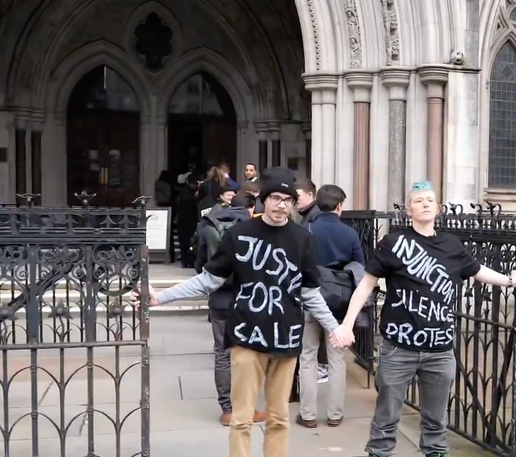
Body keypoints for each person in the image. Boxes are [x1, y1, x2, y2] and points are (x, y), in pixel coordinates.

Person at [136, 167, 355, 457]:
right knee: (241, 419)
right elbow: (209, 280)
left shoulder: (302, 238)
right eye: (275, 198)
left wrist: (333, 327)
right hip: (247, 336)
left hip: (286, 339)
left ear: (294, 203)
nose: (280, 205)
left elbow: (309, 292)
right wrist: (161, 297)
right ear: (263, 199)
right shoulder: (239, 235)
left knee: (279, 418)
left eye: (287, 199)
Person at [338, 181, 516, 457]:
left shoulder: (451, 244)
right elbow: (366, 285)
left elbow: (476, 269)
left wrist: (509, 280)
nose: (425, 204)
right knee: (386, 418)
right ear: (408, 210)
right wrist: (346, 324)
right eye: (418, 200)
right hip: (398, 348)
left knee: (436, 422)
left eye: (430, 200)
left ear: (438, 208)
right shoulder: (394, 243)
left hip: (439, 350)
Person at [194, 192, 267, 427]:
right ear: (249, 208)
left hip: (219, 300)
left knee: (222, 354)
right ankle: (248, 407)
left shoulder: (207, 225)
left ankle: (227, 409)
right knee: (249, 353)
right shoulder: (253, 227)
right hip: (248, 299)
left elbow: (199, 265)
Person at [297, 184, 365, 429]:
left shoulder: (307, 230)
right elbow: (360, 266)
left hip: (312, 297)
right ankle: (335, 414)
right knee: (337, 359)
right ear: (339, 206)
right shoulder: (349, 233)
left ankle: (307, 414)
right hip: (339, 301)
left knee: (308, 357)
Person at [293, 178, 328, 382]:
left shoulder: (313, 219)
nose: (294, 201)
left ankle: (321, 366)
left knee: (317, 326)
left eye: (298, 197)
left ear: (311, 195)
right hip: (312, 278)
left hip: (315, 279)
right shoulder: (307, 217)